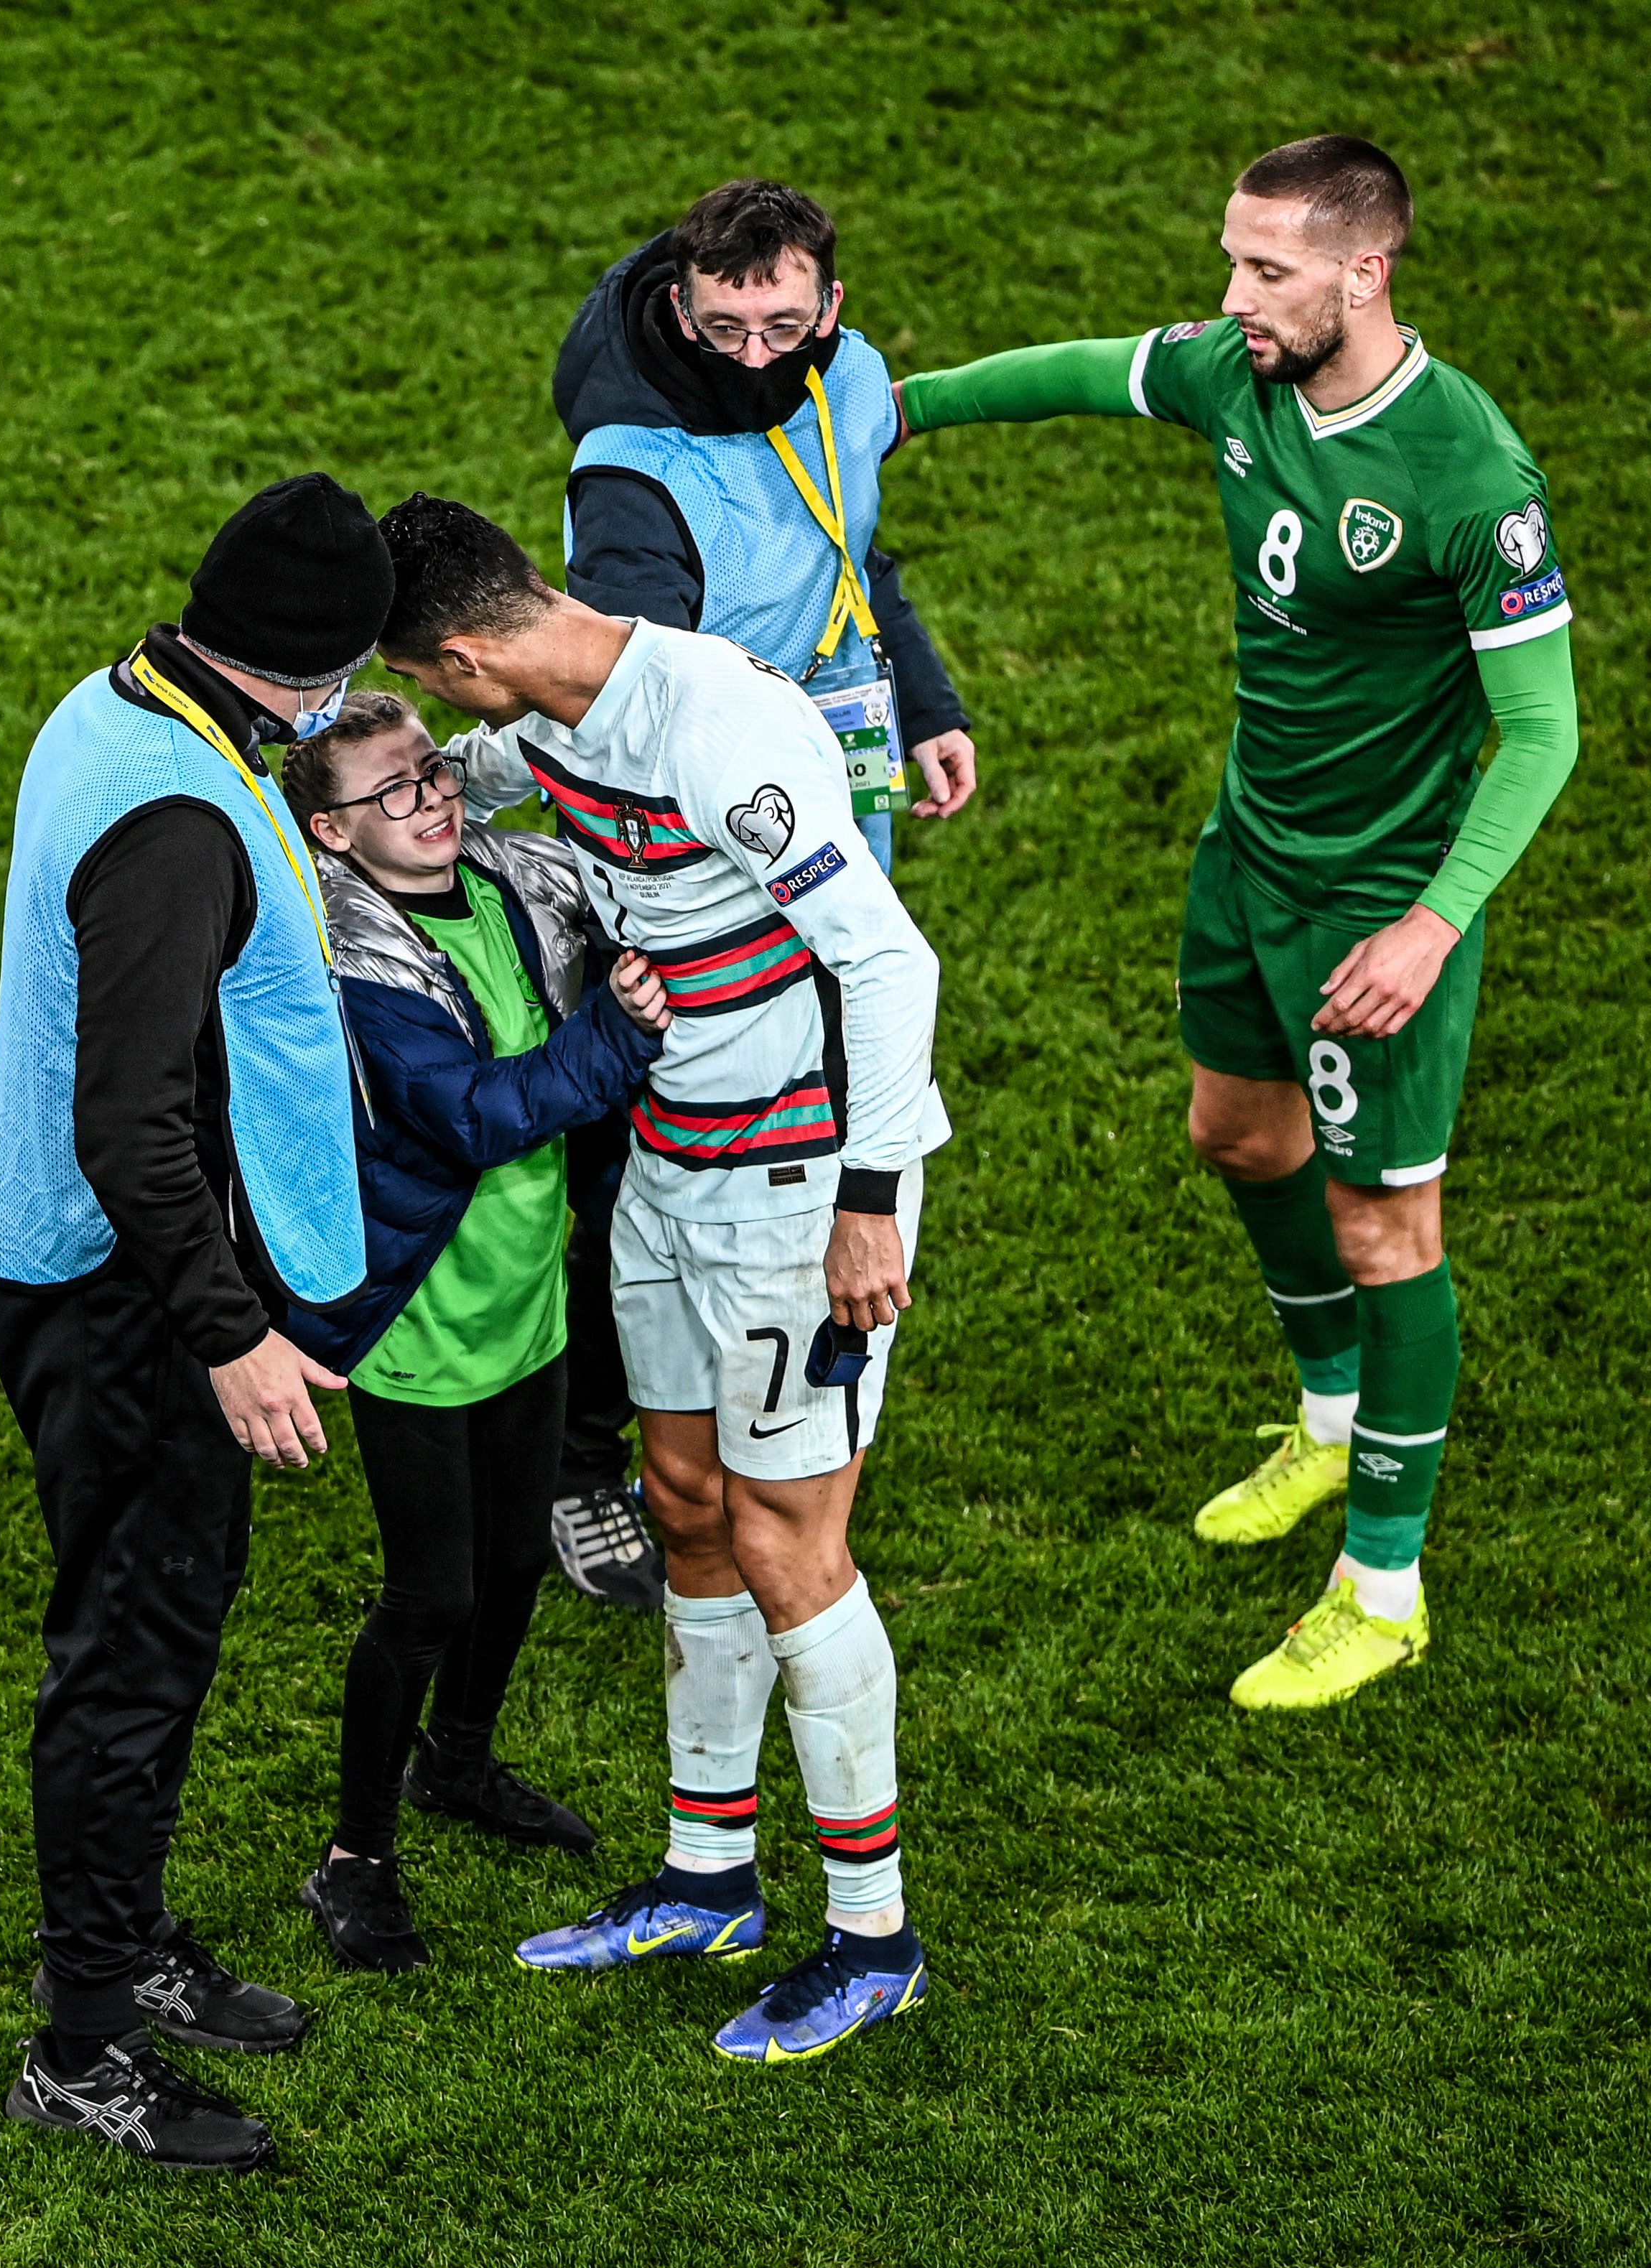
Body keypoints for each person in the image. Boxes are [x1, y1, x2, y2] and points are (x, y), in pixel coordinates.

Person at [894, 136, 1581, 1708]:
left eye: (1267, 271)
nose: (1231, 300)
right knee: (1234, 1135)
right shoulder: (1243, 376)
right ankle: (1329, 1420)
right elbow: (1084, 371)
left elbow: (1542, 729)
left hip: (1377, 902)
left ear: (1367, 272)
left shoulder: (1467, 473)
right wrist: (894, 411)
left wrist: (1428, 926)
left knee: (1383, 1227)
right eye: (1232, 260)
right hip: (1247, 856)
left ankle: (1385, 1583)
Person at [375, 491, 949, 2064]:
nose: (444, 719)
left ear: (473, 651)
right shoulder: (550, 720)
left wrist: (870, 1203)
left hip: (795, 1192)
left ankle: (873, 1932)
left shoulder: (714, 729)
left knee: (788, 1542)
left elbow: (892, 960)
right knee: (684, 1502)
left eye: (433, 686)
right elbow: (460, 784)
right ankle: (709, 1872)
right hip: (671, 1167)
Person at [0, 474, 395, 2170]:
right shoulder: (182, 828)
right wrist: (227, 1331)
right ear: (326, 670)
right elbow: (129, 1124)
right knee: (131, 1661)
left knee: (164, 1618)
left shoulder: (128, 696)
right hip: (127, 1305)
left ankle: (130, 1939)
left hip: (103, 1277)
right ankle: (79, 2042)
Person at [547, 177, 977, 1604]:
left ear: (829, 310)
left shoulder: (839, 375)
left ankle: (778, 1386)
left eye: (781, 325)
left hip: (812, 792)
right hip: (695, 847)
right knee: (647, 1139)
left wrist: (916, 691)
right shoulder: (626, 477)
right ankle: (581, 1446)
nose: (753, 356)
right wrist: (699, 880)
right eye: (724, 325)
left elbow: (849, 535)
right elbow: (636, 702)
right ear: (678, 296)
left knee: (818, 1061)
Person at [278, 692, 669, 1971]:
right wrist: (617, 1031)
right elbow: (481, 1115)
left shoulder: (503, 875)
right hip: (416, 1325)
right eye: (392, 792)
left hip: (528, 1302)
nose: (433, 798)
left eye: (434, 770)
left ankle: (457, 1763)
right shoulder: (356, 963)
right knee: (431, 1590)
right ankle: (353, 1857)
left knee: (511, 1565)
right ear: (333, 834)